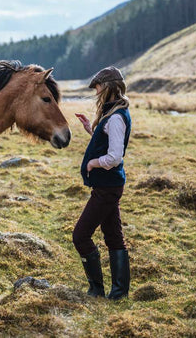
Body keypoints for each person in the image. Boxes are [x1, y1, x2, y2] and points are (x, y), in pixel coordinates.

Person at [73, 66, 131, 299]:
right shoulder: (113, 114)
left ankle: (96, 289)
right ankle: (118, 293)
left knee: (80, 236)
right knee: (114, 236)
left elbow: (115, 157)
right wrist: (92, 130)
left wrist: (93, 163)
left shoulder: (116, 117)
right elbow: (108, 144)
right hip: (108, 186)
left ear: (108, 87)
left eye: (98, 87)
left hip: (107, 187)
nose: (96, 92)